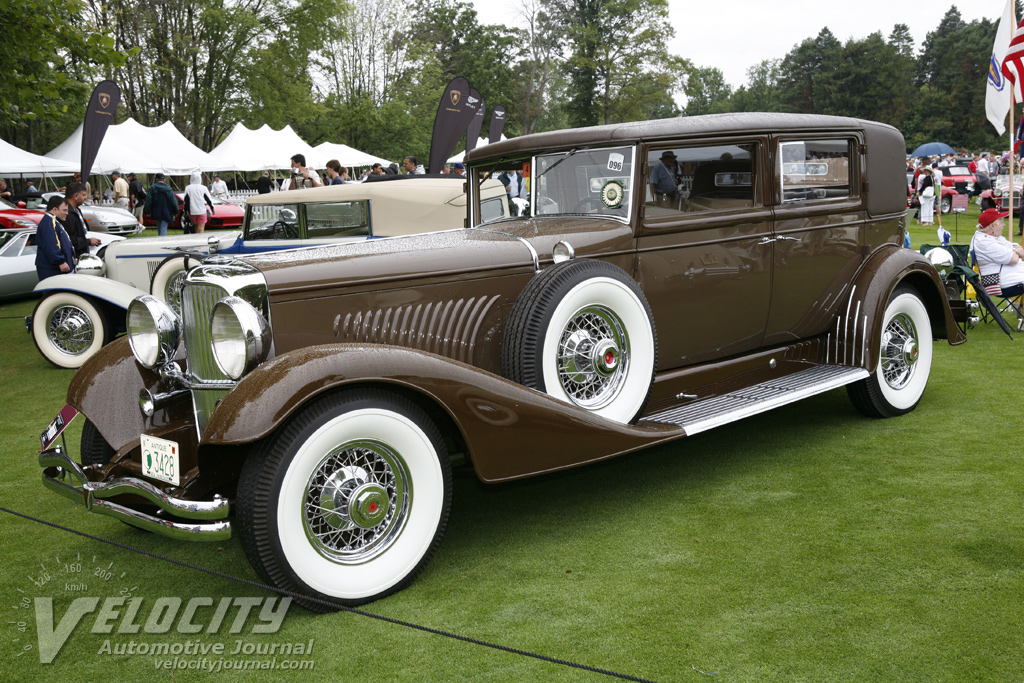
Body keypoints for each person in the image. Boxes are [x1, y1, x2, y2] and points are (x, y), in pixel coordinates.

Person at [971, 208, 1024, 291]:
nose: (1004, 225)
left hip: (1012, 275)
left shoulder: (995, 237)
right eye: (1001, 222)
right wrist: (1015, 252)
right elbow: (1013, 259)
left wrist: (1014, 251)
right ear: (992, 226)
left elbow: (1019, 249)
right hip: (1000, 280)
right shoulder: (984, 243)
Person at [34, 195, 75, 279]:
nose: (67, 213)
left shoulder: (54, 221)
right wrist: (60, 261)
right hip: (52, 269)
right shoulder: (49, 223)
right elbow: (51, 244)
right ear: (54, 209)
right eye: (64, 210)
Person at [62, 182, 100, 259]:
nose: (85, 198)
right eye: (83, 195)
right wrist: (88, 241)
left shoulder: (76, 210)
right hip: (74, 256)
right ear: (76, 196)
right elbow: (71, 239)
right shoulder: (66, 214)